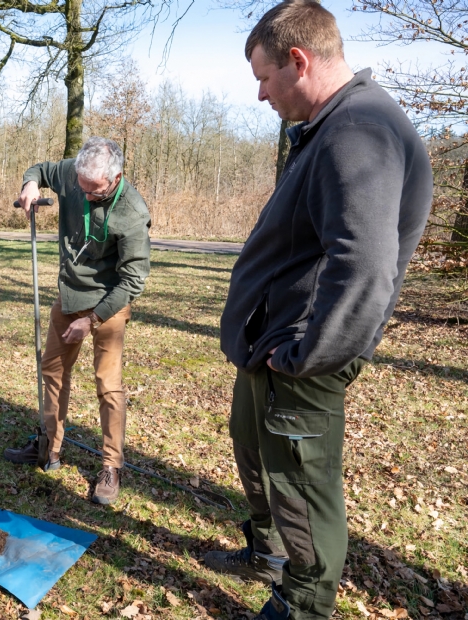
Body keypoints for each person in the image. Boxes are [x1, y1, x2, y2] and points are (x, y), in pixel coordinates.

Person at [203, 3, 433, 619]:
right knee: (253, 448)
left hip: (299, 353)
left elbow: (363, 261)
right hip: (271, 344)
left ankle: (303, 602)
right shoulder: (333, 125)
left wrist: (312, 355)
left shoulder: (359, 130)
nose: (260, 95)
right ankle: (266, 549)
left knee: (301, 485)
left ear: (298, 61)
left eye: (264, 77)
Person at [3, 137, 152, 506]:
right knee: (52, 370)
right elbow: (40, 169)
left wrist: (93, 319)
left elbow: (133, 280)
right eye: (81, 189)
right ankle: (48, 448)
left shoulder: (132, 213)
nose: (85, 196)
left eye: (95, 191)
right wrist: (31, 183)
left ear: (116, 178)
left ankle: (111, 466)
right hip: (69, 296)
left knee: (107, 383)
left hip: (109, 305)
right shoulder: (76, 173)